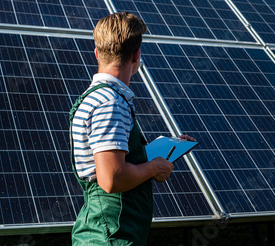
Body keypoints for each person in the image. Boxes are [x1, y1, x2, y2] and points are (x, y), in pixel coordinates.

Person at [69, 12, 192, 245]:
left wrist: (163, 148)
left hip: (108, 232)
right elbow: (112, 178)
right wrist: (154, 167)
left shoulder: (101, 98)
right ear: (137, 55)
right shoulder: (110, 103)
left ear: (97, 53)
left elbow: (111, 162)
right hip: (112, 235)